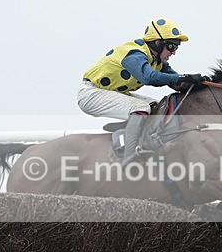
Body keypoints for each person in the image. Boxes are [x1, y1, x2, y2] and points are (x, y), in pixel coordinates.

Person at [77, 18, 207, 165]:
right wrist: (183, 77)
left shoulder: (157, 60)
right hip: (91, 93)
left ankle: (141, 140)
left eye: (176, 48)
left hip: (111, 93)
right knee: (141, 108)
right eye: (171, 46)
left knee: (158, 106)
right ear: (157, 43)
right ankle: (129, 156)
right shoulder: (134, 53)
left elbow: (177, 83)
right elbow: (149, 77)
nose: (173, 52)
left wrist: (198, 84)